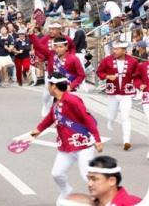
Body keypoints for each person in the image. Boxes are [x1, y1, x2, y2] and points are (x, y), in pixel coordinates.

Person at [29, 73, 102, 202]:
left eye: (48, 84)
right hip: (65, 147)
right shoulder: (57, 101)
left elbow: (88, 119)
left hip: (83, 146)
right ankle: (66, 190)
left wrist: (97, 139)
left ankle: (102, 200)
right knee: (56, 174)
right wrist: (38, 129)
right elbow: (51, 116)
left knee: (87, 177)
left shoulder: (72, 100)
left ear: (54, 86)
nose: (47, 87)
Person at [96, 41, 138, 151]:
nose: (114, 51)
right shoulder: (107, 60)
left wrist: (139, 85)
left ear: (124, 50)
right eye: (113, 49)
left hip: (126, 93)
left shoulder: (133, 61)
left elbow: (137, 75)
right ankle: (110, 121)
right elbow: (99, 72)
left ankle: (126, 141)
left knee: (125, 116)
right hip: (113, 93)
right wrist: (107, 76)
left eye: (117, 49)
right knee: (111, 114)